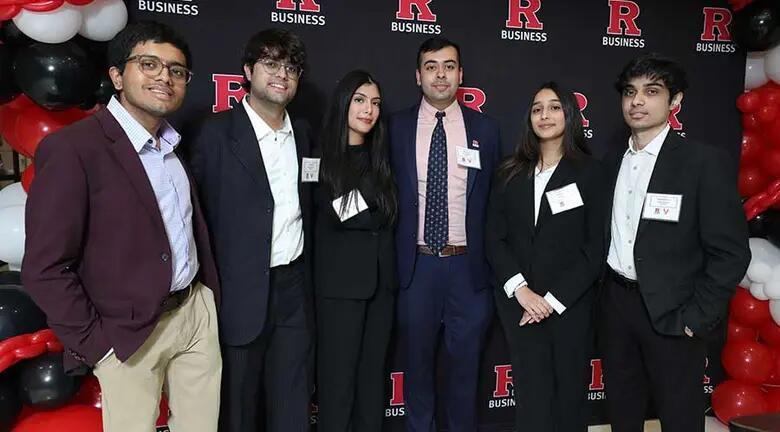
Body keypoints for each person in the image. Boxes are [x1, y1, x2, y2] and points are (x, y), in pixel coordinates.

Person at [21, 21, 221, 432]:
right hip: (127, 333)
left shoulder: (172, 146)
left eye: (177, 70)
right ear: (116, 75)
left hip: (193, 313)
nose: (164, 77)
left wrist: (206, 301)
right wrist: (98, 345)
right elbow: (45, 267)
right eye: (149, 64)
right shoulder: (74, 149)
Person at [600, 53, 751, 432]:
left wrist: (697, 318)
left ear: (675, 100)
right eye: (630, 92)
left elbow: (731, 252)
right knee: (622, 413)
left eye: (651, 91)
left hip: (675, 313)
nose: (637, 101)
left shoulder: (702, 163)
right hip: (617, 307)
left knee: (680, 417)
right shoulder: (610, 162)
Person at [188, 28, 314, 432]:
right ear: (248, 70)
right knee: (238, 407)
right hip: (238, 292)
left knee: (292, 402)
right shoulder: (214, 133)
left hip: (294, 289)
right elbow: (193, 217)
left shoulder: (305, 135)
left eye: (290, 68)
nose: (282, 75)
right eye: (271, 64)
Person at [388, 37, 501, 432]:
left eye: (449, 66)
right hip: (416, 268)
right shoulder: (395, 127)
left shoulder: (485, 130)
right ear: (418, 76)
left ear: (460, 74)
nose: (441, 74)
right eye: (431, 66)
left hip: (467, 269)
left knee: (465, 373)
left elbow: (497, 202)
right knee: (416, 369)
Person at [486, 82, 605, 431]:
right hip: (520, 306)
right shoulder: (509, 171)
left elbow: (595, 247)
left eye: (554, 107)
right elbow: (494, 237)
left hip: (569, 306)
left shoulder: (591, 172)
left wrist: (550, 302)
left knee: (569, 399)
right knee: (531, 399)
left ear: (569, 114)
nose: (545, 115)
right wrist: (521, 292)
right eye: (537, 109)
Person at [314, 69, 398, 432]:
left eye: (375, 103)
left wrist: (367, 207)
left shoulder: (382, 154)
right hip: (339, 289)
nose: (369, 110)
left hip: (381, 287)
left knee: (371, 383)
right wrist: (373, 200)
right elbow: (338, 213)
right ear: (344, 103)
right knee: (337, 385)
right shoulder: (320, 155)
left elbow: (386, 213)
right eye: (360, 100)